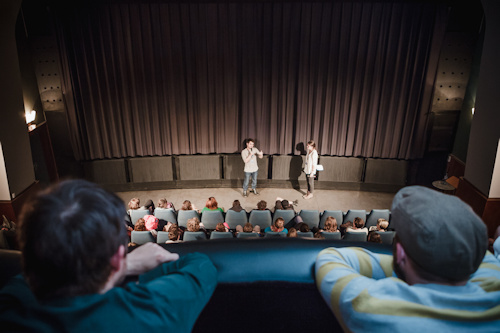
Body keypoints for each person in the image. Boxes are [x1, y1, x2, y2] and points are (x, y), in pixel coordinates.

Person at [0, 179, 217, 332]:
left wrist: (118, 263)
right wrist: (124, 265)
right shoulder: (145, 314)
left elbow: (26, 277)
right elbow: (201, 266)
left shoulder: (9, 310)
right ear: (117, 256)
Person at [315, 186, 500, 331]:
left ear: (401, 254)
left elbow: (330, 257)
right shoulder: (494, 281)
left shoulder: (377, 307)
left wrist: (402, 262)